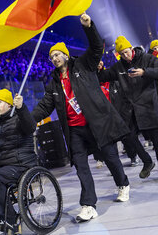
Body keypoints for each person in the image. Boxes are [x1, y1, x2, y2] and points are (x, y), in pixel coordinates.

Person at [32, 13, 130, 222]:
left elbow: (96, 48)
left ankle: (123, 183)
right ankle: (88, 204)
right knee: (81, 166)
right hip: (74, 130)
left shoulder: (83, 65)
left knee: (111, 158)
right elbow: (45, 106)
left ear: (66, 56)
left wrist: (89, 27)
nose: (55, 58)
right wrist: (26, 119)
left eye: (58, 54)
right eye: (51, 56)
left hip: (96, 124)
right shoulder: (54, 82)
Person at [98, 36, 158, 177]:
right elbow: (105, 76)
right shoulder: (119, 67)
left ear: (132, 49)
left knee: (156, 139)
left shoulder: (147, 59)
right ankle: (147, 161)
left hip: (149, 106)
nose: (125, 56)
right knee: (127, 135)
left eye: (127, 52)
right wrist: (100, 70)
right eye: (122, 54)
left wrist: (144, 72)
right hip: (131, 110)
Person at [0, 89, 37, 235]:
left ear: (9, 104)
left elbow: (31, 126)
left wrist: (21, 107)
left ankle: (11, 220)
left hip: (22, 165)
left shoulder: (19, 117)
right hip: (7, 167)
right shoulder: (0, 125)